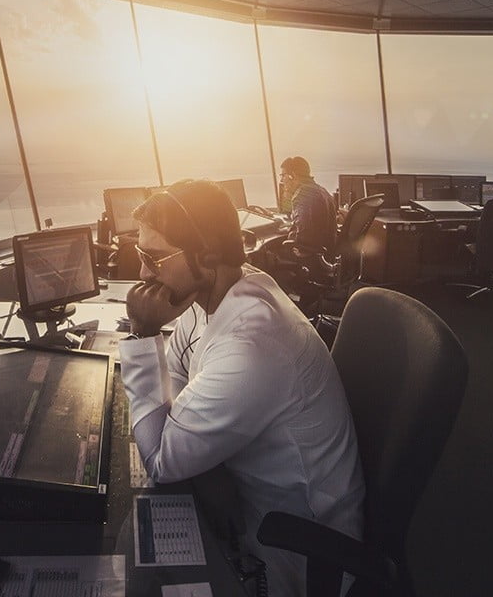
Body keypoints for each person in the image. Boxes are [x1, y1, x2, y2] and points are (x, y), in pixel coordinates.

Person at [119, 179, 365, 597]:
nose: (143, 272)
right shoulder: (222, 289)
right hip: (245, 494)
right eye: (142, 255)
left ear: (208, 254)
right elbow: (178, 367)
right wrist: (205, 461)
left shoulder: (250, 346)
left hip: (294, 546)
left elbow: (161, 461)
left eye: (155, 258)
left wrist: (143, 335)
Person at [279, 156, 336, 251]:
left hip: (310, 255)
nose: (281, 180)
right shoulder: (323, 190)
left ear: (292, 175)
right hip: (328, 253)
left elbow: (303, 236)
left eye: (283, 175)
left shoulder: (302, 195)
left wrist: (291, 235)